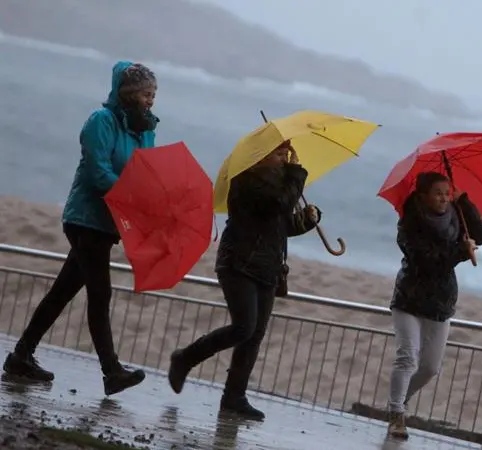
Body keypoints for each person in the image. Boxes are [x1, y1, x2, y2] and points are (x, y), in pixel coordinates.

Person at [2, 61, 159, 396]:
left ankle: (21, 355)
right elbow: (97, 171)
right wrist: (129, 195)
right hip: (85, 217)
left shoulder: (146, 130)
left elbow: (145, 174)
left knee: (62, 292)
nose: (151, 101)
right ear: (129, 93)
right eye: (147, 93)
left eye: (154, 95)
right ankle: (111, 372)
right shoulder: (100, 121)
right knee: (100, 293)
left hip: (109, 224)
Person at [167, 141, 321, 421]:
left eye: (285, 153)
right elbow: (276, 203)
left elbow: (280, 226)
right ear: (259, 156)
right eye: (277, 153)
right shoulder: (247, 181)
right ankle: (185, 358)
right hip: (239, 263)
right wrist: (297, 176)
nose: (284, 158)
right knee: (243, 327)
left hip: (267, 266)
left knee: (254, 336)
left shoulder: (279, 183)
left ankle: (234, 396)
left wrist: (306, 221)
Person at [386, 171, 482, 439]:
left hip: (441, 302)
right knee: (407, 357)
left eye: (447, 192)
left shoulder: (457, 216)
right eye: (437, 193)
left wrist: (464, 201)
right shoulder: (409, 224)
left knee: (430, 367)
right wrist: (460, 252)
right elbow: (427, 260)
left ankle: (399, 402)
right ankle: (396, 412)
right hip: (409, 299)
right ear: (423, 196)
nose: (444, 198)